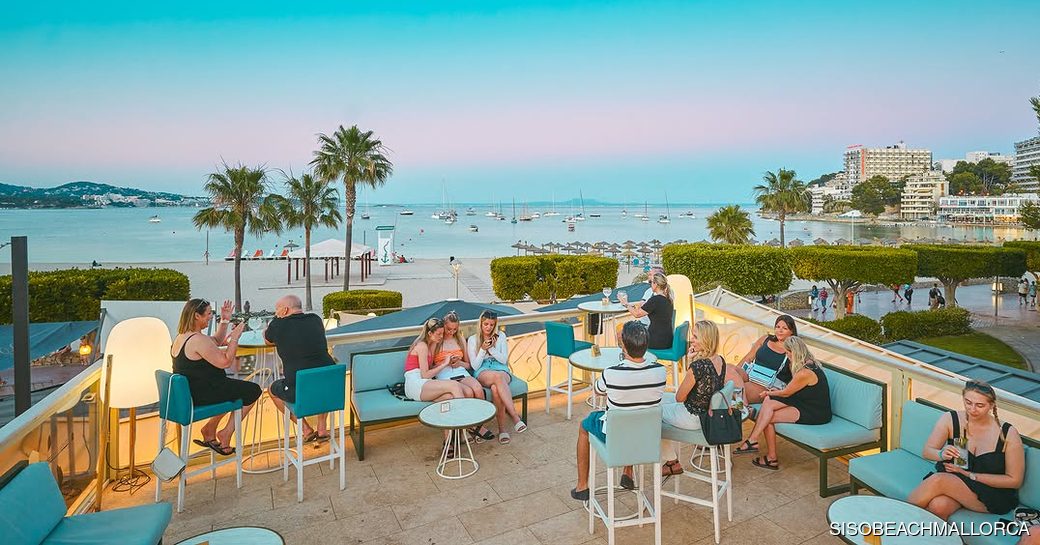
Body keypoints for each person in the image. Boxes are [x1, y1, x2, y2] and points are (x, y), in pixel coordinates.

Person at [570, 322, 667, 501]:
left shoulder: (611, 373)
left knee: (584, 427)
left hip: (618, 436)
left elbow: (598, 390)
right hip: (647, 435)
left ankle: (582, 486)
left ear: (624, 345)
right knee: (635, 413)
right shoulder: (660, 371)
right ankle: (627, 472)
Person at [907, 380, 1024, 521]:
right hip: (958, 483)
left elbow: (1014, 481)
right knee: (938, 506)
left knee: (939, 480)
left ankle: (896, 521)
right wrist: (941, 454)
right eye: (968, 402)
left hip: (991, 493)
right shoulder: (951, 419)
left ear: (992, 405)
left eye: (980, 405)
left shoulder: (1008, 433)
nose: (972, 409)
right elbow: (927, 451)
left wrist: (969, 475)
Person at [172, 299, 262, 456]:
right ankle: (225, 433)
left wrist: (225, 321)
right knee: (253, 390)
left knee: (236, 391)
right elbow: (225, 362)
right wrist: (235, 338)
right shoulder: (198, 340)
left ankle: (210, 428)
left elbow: (215, 341)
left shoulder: (183, 337)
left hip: (191, 393)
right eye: (208, 314)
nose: (210, 317)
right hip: (204, 393)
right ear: (196, 316)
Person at [735, 336, 831, 470]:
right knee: (768, 403)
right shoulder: (803, 363)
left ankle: (767, 454)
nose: (787, 356)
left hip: (815, 411)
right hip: (801, 400)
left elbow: (786, 393)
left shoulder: (805, 371)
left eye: (788, 353)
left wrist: (768, 392)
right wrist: (772, 394)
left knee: (767, 417)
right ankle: (755, 443)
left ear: (796, 352)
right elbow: (790, 391)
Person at [264, 295, 335, 442]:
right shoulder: (315, 319)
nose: (276, 312)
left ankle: (305, 428)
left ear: (285, 310)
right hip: (330, 389)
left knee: (271, 389)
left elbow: (267, 340)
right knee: (321, 376)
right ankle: (322, 427)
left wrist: (276, 319)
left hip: (300, 392)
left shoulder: (278, 325)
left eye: (277, 309)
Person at [660, 320, 727, 476]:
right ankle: (671, 460)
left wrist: (691, 365)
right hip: (706, 415)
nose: (691, 339)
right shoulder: (720, 360)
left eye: (696, 337)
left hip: (692, 418)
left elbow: (680, 397)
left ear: (706, 339)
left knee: (650, 411)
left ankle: (672, 462)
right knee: (660, 397)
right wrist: (691, 361)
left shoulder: (699, 366)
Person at [467, 310, 527, 444]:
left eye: (491, 325)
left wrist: (492, 349)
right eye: (486, 324)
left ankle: (502, 429)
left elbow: (504, 360)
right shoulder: (473, 339)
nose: (488, 327)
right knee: (497, 378)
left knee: (496, 387)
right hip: (483, 370)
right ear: (480, 324)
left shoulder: (501, 336)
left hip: (501, 369)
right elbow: (475, 366)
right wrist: (483, 349)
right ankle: (514, 417)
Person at [436, 311, 494, 441]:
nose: (451, 332)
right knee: (467, 392)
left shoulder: (460, 339)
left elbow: (469, 365)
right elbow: (430, 366)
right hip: (444, 374)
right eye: (449, 329)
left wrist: (459, 363)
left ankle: (479, 425)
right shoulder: (437, 340)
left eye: (454, 329)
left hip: (460, 371)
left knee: (478, 389)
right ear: (443, 325)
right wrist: (445, 363)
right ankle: (467, 427)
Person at [735, 315, 797, 405]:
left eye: (785, 328)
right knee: (729, 369)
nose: (780, 330)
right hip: (751, 374)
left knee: (733, 389)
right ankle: (743, 406)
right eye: (778, 327)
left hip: (766, 386)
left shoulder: (793, 350)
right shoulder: (765, 339)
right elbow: (748, 358)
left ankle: (742, 406)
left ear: (791, 332)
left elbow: (796, 375)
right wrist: (737, 373)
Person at [403, 317, 466, 402]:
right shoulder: (422, 346)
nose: (441, 336)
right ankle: (464, 409)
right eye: (438, 334)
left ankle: (456, 410)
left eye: (442, 333)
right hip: (415, 383)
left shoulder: (432, 344)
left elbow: (430, 369)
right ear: (430, 333)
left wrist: (447, 361)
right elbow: (425, 375)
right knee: (455, 385)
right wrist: (444, 364)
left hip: (425, 382)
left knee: (449, 397)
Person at [620, 271, 674, 350]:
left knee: (625, 334)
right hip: (667, 340)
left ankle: (629, 356)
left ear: (656, 284)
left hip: (656, 341)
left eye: (651, 282)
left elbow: (637, 314)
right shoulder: (669, 299)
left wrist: (626, 304)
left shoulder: (655, 300)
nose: (650, 284)